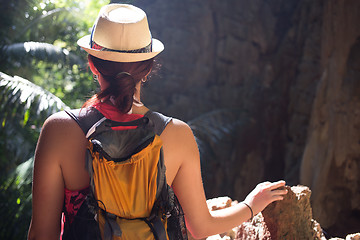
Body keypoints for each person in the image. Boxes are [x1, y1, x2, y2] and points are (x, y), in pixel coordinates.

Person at [27, 4, 287, 240]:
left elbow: (42, 233)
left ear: (93, 65)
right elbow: (201, 227)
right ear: (149, 68)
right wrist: (252, 204)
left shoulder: (58, 130)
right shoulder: (178, 135)